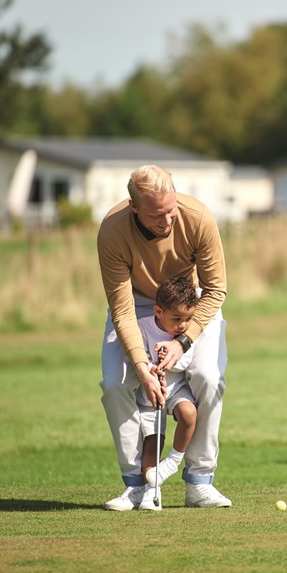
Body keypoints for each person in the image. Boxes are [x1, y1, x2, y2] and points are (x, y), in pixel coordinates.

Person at [98, 164, 231, 510]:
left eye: (171, 211)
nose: (168, 222)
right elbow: (122, 311)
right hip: (139, 305)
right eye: (157, 216)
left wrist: (182, 340)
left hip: (191, 303)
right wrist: (141, 366)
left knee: (207, 376)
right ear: (134, 208)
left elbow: (215, 290)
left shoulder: (199, 217)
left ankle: (200, 481)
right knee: (116, 383)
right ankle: (136, 485)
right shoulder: (113, 231)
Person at [138, 275, 201, 508]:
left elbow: (187, 361)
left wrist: (170, 360)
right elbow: (138, 357)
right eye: (177, 318)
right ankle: (150, 491)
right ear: (158, 311)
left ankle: (173, 462)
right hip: (149, 394)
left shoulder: (185, 334)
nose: (183, 325)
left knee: (188, 414)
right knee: (152, 443)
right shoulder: (143, 327)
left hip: (175, 389)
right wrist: (152, 365)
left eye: (188, 318)